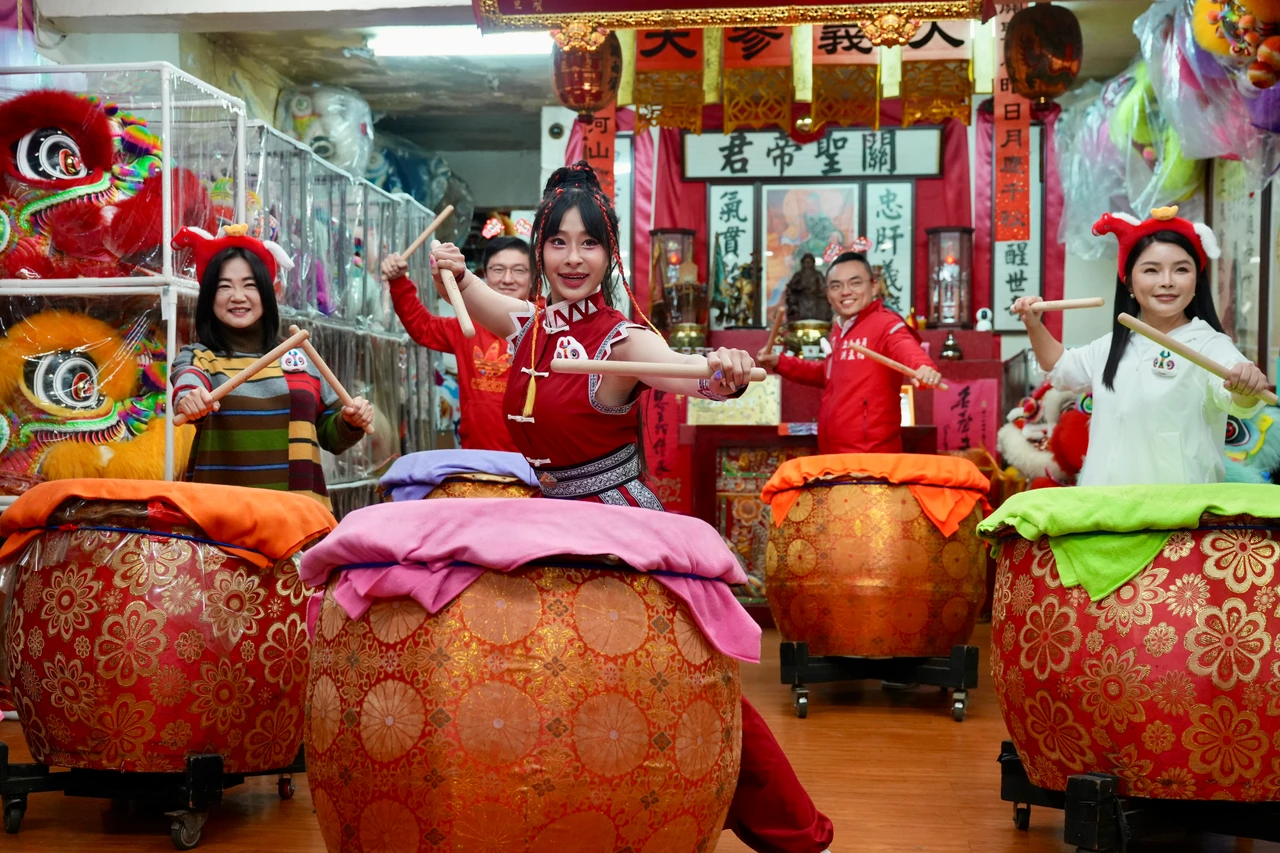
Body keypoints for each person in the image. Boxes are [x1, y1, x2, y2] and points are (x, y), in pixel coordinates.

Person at [428, 161, 834, 853]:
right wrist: (455, 271)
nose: (573, 258)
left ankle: (797, 830)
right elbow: (484, 301)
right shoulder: (532, 323)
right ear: (540, 251)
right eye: (559, 242)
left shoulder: (621, 339)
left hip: (616, 525)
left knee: (683, 681)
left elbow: (687, 371)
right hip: (549, 522)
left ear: (609, 252)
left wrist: (725, 373)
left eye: (589, 243)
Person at [1011, 205, 1268, 486]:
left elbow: (1238, 398)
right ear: (1129, 282)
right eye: (1151, 270)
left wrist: (1246, 385)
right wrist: (1033, 324)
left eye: (1181, 269)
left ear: (1197, 280)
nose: (1167, 282)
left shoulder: (1211, 344)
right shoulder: (1112, 345)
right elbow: (1060, 368)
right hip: (1106, 503)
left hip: (1179, 507)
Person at [171, 225, 374, 508]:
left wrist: (351, 421)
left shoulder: (300, 356)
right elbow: (188, 383)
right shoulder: (197, 357)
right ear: (209, 297)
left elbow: (332, 437)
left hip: (300, 516)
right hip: (223, 518)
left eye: (250, 285)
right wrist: (191, 399)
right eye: (224, 286)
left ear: (266, 293)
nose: (238, 296)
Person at [757, 251, 943, 454]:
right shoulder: (839, 329)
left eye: (855, 283)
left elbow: (906, 348)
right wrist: (779, 362)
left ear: (874, 286)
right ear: (827, 293)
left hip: (871, 457)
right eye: (836, 286)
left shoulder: (886, 324)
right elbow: (828, 374)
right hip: (834, 453)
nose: (845, 292)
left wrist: (924, 368)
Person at [381, 236, 533, 452]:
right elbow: (422, 326)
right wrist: (398, 281)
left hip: (534, 461)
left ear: (533, 276)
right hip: (477, 456)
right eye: (498, 269)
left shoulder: (547, 325)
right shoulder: (467, 323)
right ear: (484, 274)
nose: (508, 279)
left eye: (519, 270)